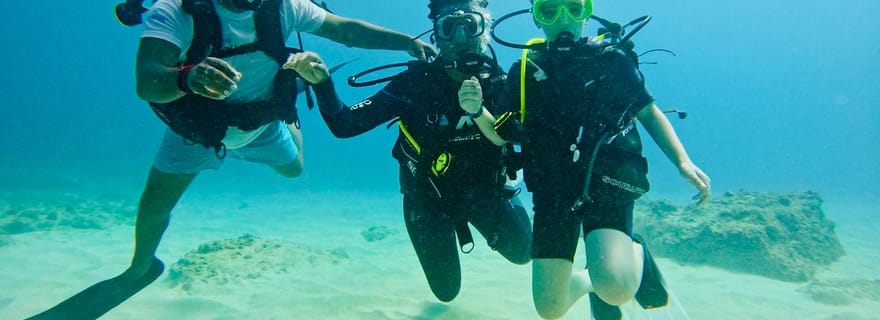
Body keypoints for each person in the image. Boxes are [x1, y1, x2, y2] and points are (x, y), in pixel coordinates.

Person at [27, 0, 435, 318]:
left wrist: (406, 42)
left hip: (262, 126)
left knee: (294, 169)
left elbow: (344, 29)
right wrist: (187, 77)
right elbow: (146, 80)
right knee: (154, 206)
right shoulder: (177, 10)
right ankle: (138, 269)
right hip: (197, 131)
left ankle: (293, 123)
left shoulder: (285, 7)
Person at [285, 0, 532, 303]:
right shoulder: (415, 85)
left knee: (524, 253)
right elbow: (346, 124)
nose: (460, 36)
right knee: (446, 291)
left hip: (484, 191)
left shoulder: (500, 83)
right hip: (427, 198)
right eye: (448, 27)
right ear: (436, 36)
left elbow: (521, 140)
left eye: (471, 24)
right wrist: (323, 84)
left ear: (485, 32)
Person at [493, 0, 712, 318]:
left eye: (574, 7)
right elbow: (502, 130)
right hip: (553, 189)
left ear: (587, 13)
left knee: (617, 288)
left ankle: (631, 255)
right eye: (549, 10)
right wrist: (474, 110)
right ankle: (593, 277)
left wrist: (682, 161)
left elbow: (648, 111)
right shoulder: (525, 71)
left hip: (608, 180)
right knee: (549, 309)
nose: (563, 18)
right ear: (537, 19)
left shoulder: (611, 60)